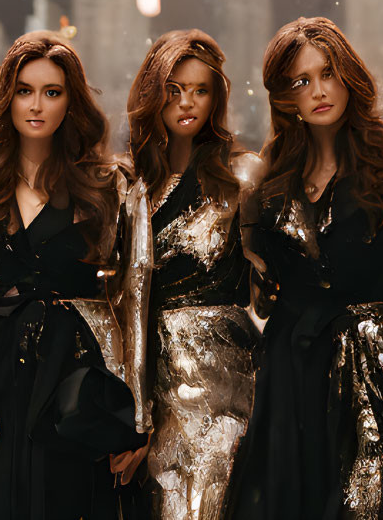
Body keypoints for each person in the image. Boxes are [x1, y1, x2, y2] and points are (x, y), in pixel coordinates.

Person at [225, 17, 383, 520]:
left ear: (349, 77)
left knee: (369, 503)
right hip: (291, 369)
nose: (318, 91)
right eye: (301, 81)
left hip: (373, 367)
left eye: (328, 73)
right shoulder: (269, 185)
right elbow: (261, 293)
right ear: (283, 96)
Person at [0, 31, 147, 520]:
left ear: (73, 100)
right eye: (24, 90)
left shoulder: (108, 186)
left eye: (53, 91)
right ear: (7, 97)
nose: (37, 105)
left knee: (75, 499)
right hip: (0, 378)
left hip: (77, 380)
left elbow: (133, 300)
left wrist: (139, 415)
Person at [121, 30, 260, 520]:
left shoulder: (242, 176)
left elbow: (270, 282)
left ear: (216, 97)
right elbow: (123, 293)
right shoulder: (131, 184)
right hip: (151, 374)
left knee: (215, 501)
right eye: (174, 89)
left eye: (200, 90)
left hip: (224, 373)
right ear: (153, 94)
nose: (187, 102)